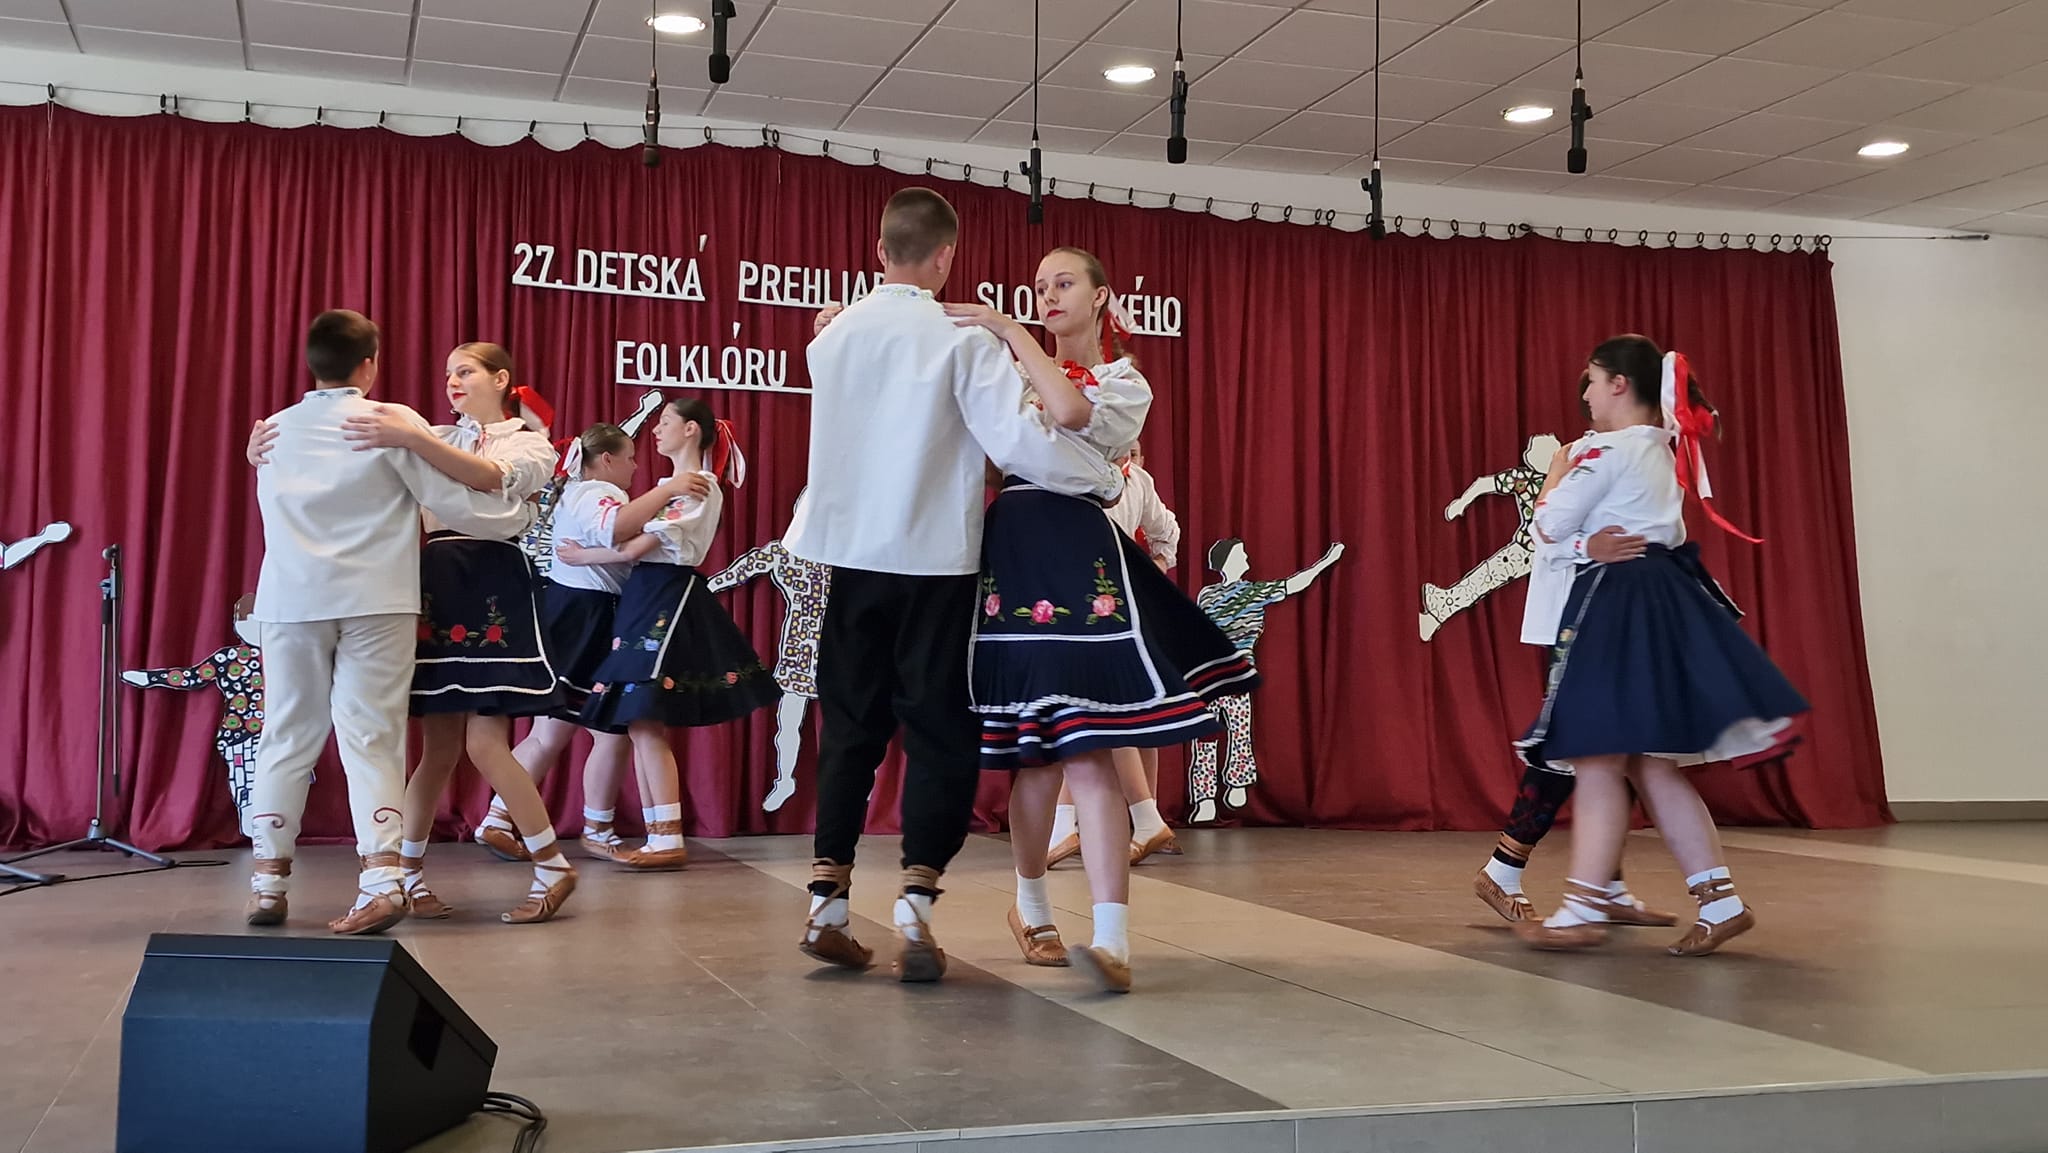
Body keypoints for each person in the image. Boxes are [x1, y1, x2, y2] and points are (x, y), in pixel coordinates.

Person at [788, 188, 1124, 984]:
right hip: (935, 559)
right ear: (947, 257)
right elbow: (1021, 442)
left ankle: (827, 901)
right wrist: (1104, 479)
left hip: (850, 556)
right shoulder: (962, 341)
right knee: (938, 730)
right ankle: (916, 906)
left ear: (879, 251)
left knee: (849, 727)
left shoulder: (831, 339)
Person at [945, 246, 1257, 993]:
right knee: (1037, 754)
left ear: (1101, 297)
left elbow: (1072, 414)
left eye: (1063, 283)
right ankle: (1032, 908)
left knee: (1090, 745)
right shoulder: (1012, 376)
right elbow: (989, 460)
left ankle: (1112, 938)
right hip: (1016, 549)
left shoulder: (1124, 382)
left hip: (1084, 550)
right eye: (1038, 287)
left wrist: (1007, 331)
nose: (1047, 295)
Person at [1513, 335, 1807, 956]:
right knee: (1649, 761)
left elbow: (1548, 524)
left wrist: (1556, 481)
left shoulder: (1607, 449)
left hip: (1615, 605)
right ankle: (1720, 901)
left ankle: (1580, 910)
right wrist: (1585, 543)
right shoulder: (1662, 448)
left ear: (1618, 383)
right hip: (1660, 600)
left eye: (1592, 380)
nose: (1586, 394)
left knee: (1597, 756)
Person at [239, 310, 531, 933]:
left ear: (311, 363)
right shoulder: (389, 421)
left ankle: (267, 883)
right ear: (369, 364)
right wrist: (521, 517)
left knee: (285, 733)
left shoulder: (273, 431)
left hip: (291, 600)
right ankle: (381, 881)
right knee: (371, 737)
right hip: (377, 599)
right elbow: (454, 503)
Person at [566, 397, 777, 870]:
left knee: (644, 718)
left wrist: (583, 556)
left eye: (665, 422)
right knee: (640, 721)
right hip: (646, 594)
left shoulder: (698, 486)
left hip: (665, 593)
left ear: (691, 430)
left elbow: (636, 546)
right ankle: (658, 834)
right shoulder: (669, 487)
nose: (656, 431)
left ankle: (666, 836)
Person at [500, 423, 645, 863]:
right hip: (589, 614)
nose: (635, 466)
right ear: (607, 460)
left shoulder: (573, 492)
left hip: (569, 610)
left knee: (549, 732)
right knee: (612, 728)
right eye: (630, 457)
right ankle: (597, 828)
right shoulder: (602, 493)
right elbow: (613, 529)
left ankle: (499, 817)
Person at [1045, 440, 1186, 868]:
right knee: (1109, 713)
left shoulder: (1120, 481)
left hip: (1103, 607)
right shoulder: (1107, 477)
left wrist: (1154, 567)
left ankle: (1132, 820)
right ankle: (1140, 819)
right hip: (1104, 603)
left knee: (1101, 713)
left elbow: (1167, 532)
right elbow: (1166, 533)